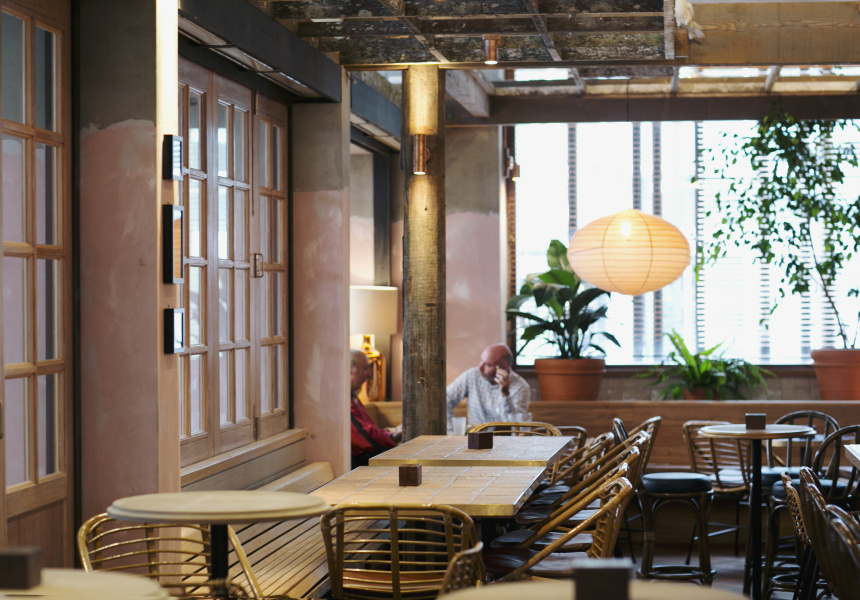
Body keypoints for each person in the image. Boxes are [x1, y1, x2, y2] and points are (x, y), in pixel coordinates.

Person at [446, 343, 530, 428]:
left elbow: (515, 424)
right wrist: (450, 430)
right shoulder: (471, 376)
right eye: (481, 361)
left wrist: (505, 394)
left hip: (503, 435)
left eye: (487, 365)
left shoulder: (520, 387)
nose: (480, 367)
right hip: (475, 434)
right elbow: (446, 398)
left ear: (503, 368)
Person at [349, 349, 401, 468]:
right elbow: (366, 438)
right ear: (350, 370)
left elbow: (369, 430)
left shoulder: (352, 397)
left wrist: (391, 434)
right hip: (361, 463)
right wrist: (392, 436)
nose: (369, 375)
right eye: (365, 369)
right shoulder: (342, 400)